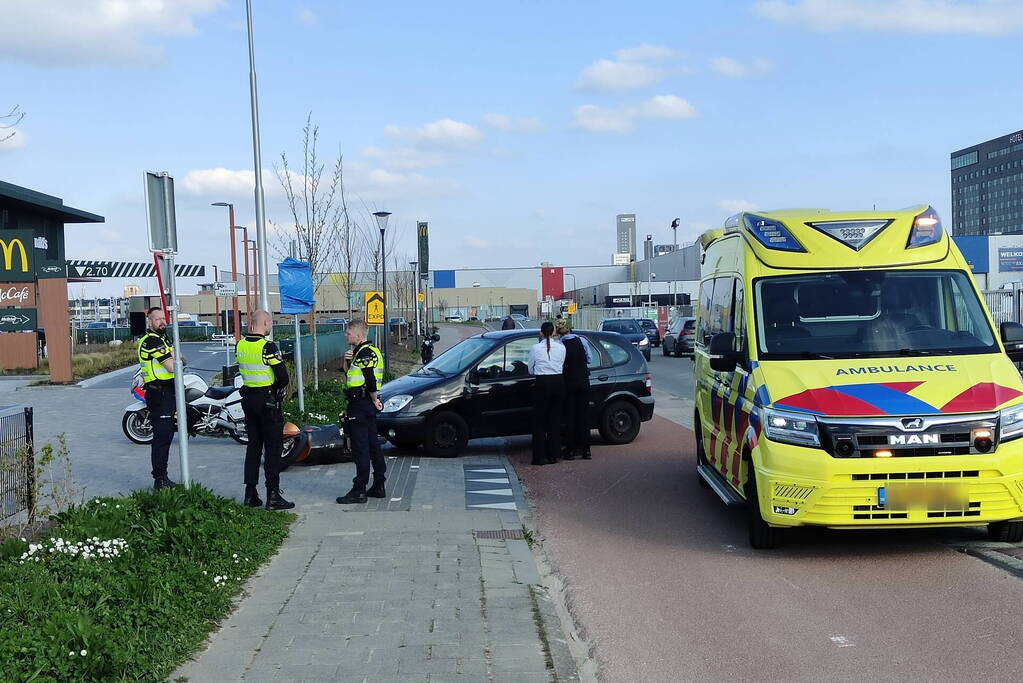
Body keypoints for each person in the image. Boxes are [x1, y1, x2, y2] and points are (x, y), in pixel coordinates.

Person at [236, 310, 294, 510]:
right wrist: (274, 389)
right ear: (266, 323)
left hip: (248, 400)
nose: (270, 327)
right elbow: (283, 378)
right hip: (267, 402)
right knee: (272, 448)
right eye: (270, 324)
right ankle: (273, 495)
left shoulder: (240, 345)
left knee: (253, 447)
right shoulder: (267, 347)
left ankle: (250, 493)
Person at [337, 320, 387, 504]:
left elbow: (370, 381)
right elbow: (350, 375)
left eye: (349, 332)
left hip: (361, 404)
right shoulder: (365, 351)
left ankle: (359, 489)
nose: (346, 335)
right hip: (365, 404)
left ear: (359, 335)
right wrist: (346, 362)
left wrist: (374, 399)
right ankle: (379, 485)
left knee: (360, 448)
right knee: (373, 444)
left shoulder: (364, 353)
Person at [137, 307, 177, 490]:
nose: (162, 322)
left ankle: (163, 476)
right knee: (162, 437)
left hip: (167, 391)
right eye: (158, 319)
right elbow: (172, 366)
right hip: (159, 393)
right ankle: (160, 479)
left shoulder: (162, 339)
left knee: (167, 435)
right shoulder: (151, 341)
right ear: (150, 321)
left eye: (163, 318)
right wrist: (176, 359)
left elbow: (180, 359)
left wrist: (177, 359)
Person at [528, 321, 566, 465]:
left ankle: (539, 456)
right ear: (554, 333)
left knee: (539, 421)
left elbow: (530, 369)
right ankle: (553, 454)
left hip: (542, 383)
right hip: (558, 382)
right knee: (554, 420)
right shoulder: (561, 347)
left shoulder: (535, 348)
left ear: (541, 333)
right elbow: (561, 364)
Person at [556, 320, 592, 460]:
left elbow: (559, 364)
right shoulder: (582, 340)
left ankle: (570, 450)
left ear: (558, 332)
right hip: (583, 380)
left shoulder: (560, 345)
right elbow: (589, 359)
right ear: (570, 329)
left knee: (569, 416)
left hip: (568, 381)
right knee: (584, 415)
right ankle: (586, 450)